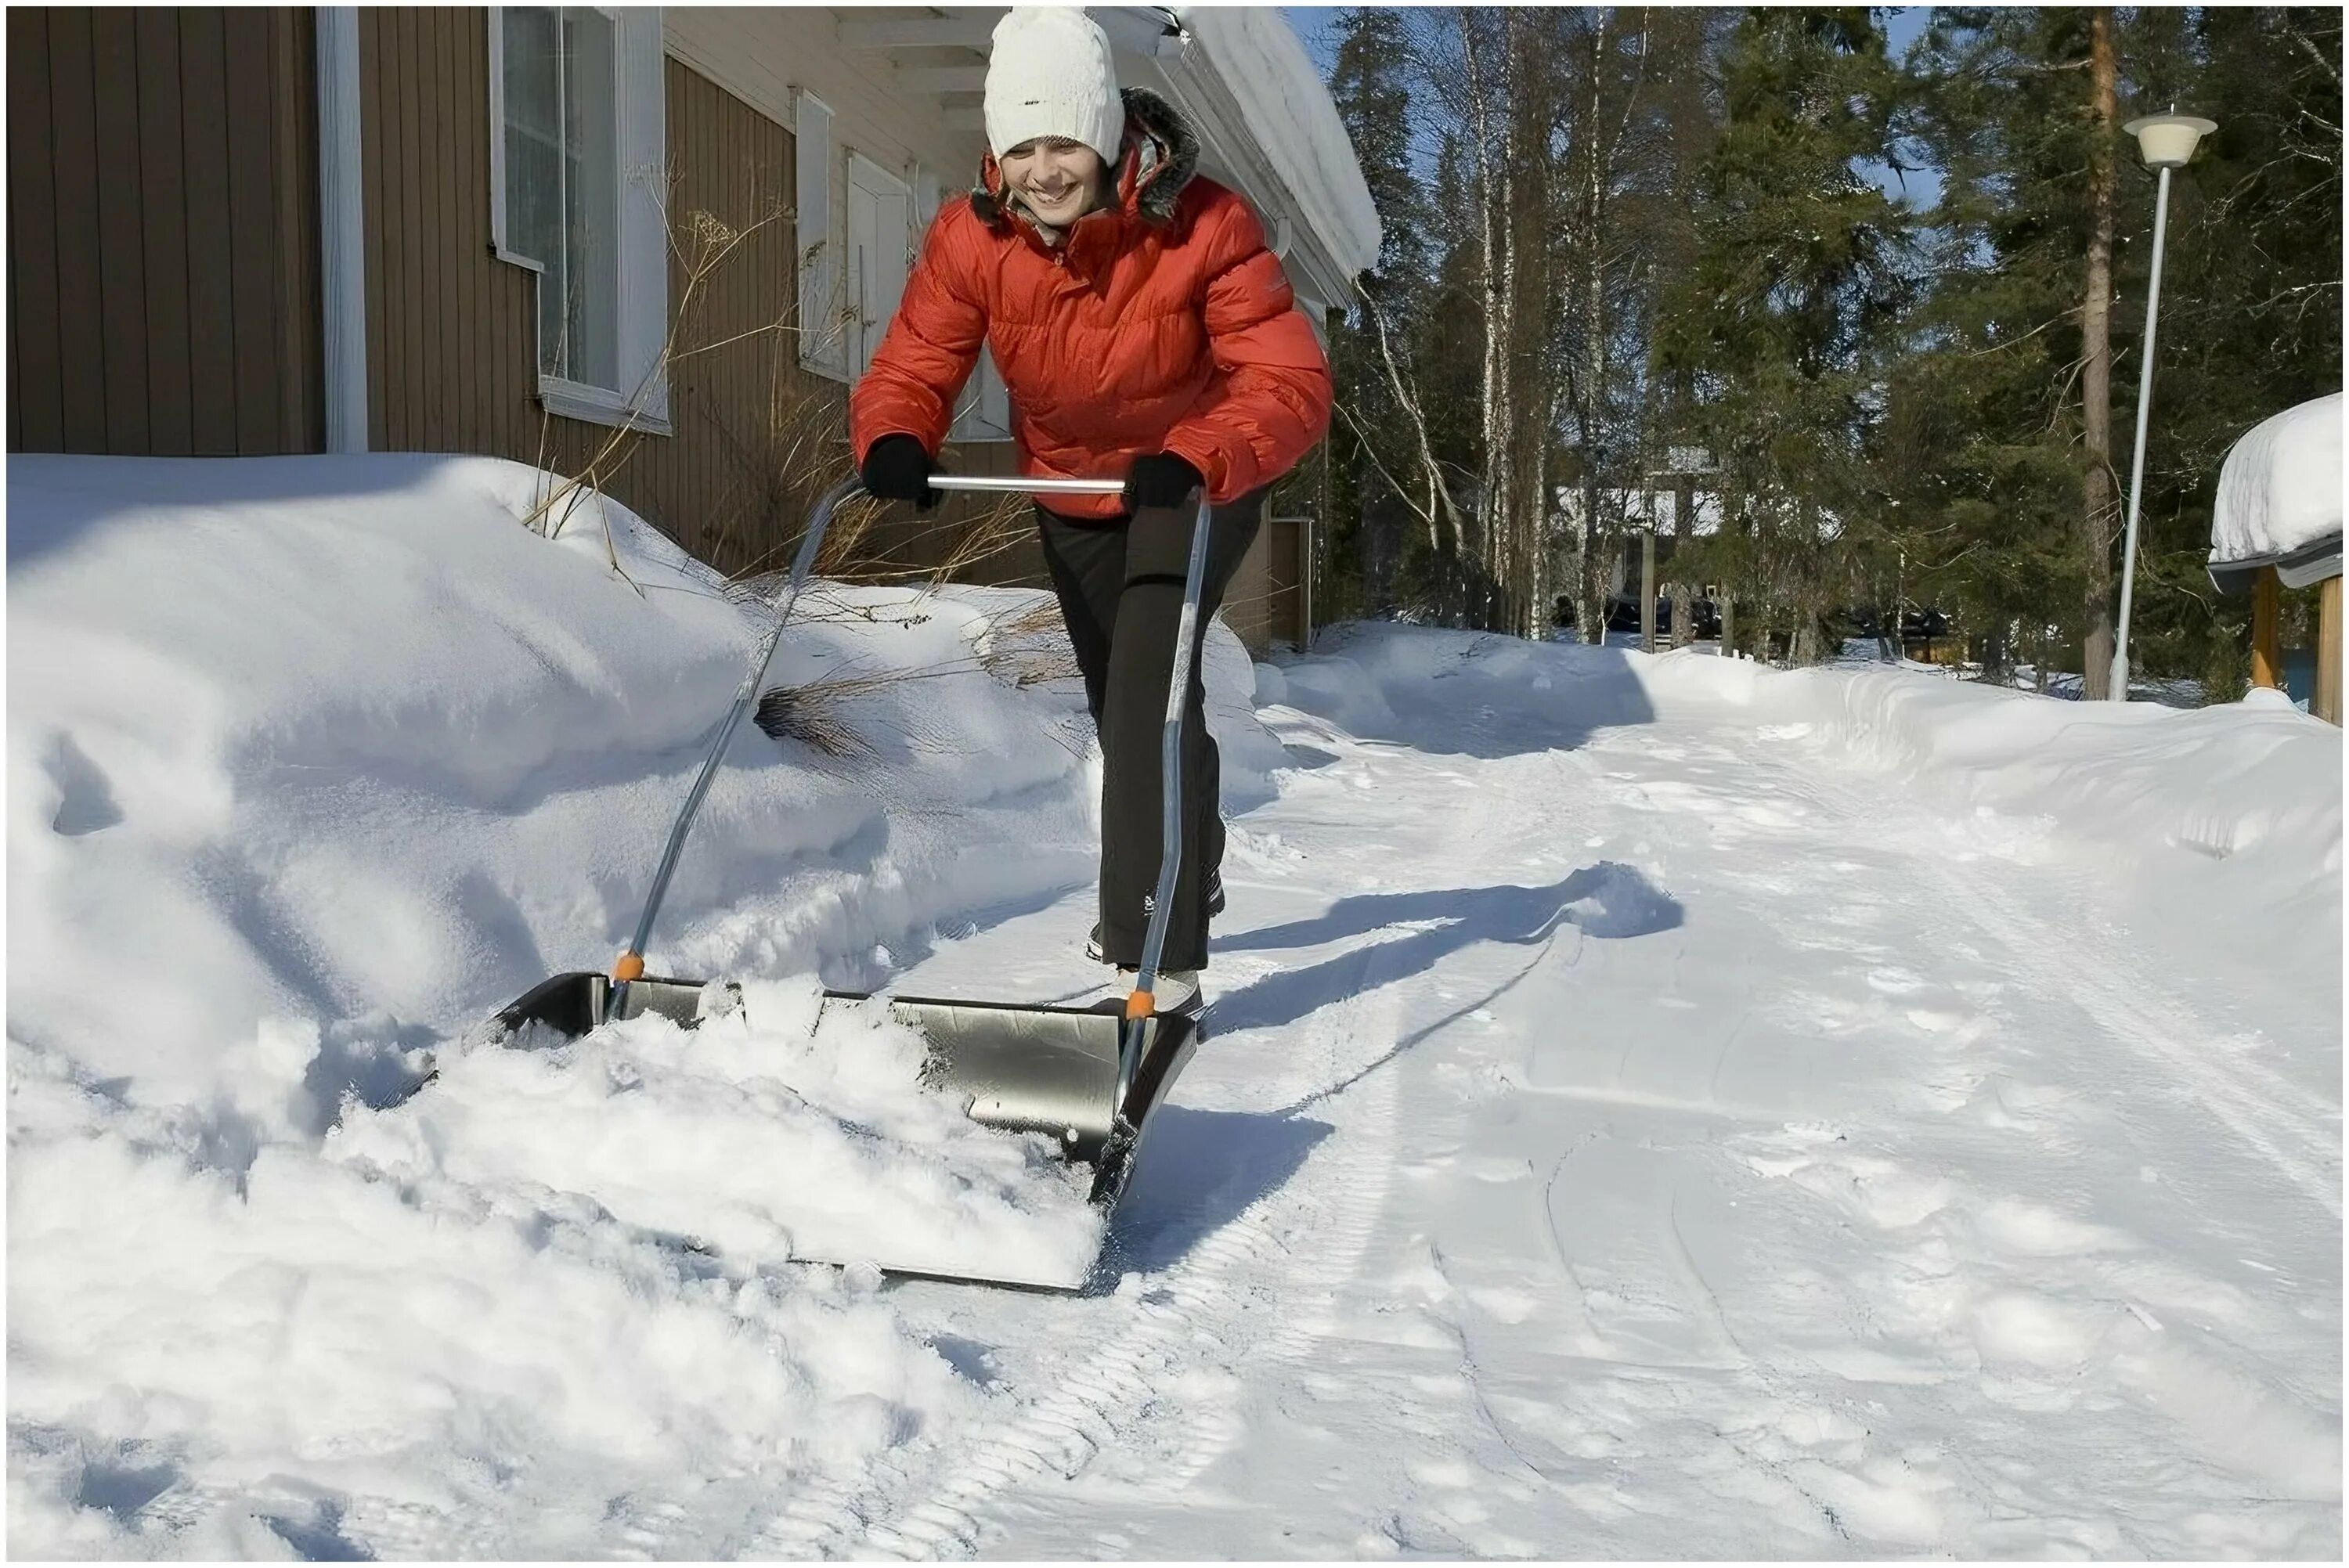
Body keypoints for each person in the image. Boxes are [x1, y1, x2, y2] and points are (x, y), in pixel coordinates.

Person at [850, 6, 1333, 1015]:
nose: (1042, 169)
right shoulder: (972, 235)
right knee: (1137, 702)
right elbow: (916, 359)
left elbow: (1288, 387)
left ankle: (1147, 953)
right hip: (1072, 489)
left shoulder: (1206, 225)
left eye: (1063, 139)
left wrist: (1195, 456)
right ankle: (1185, 873)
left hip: (1192, 481)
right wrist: (896, 434)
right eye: (1019, 145)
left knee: (1143, 699)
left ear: (1109, 131)